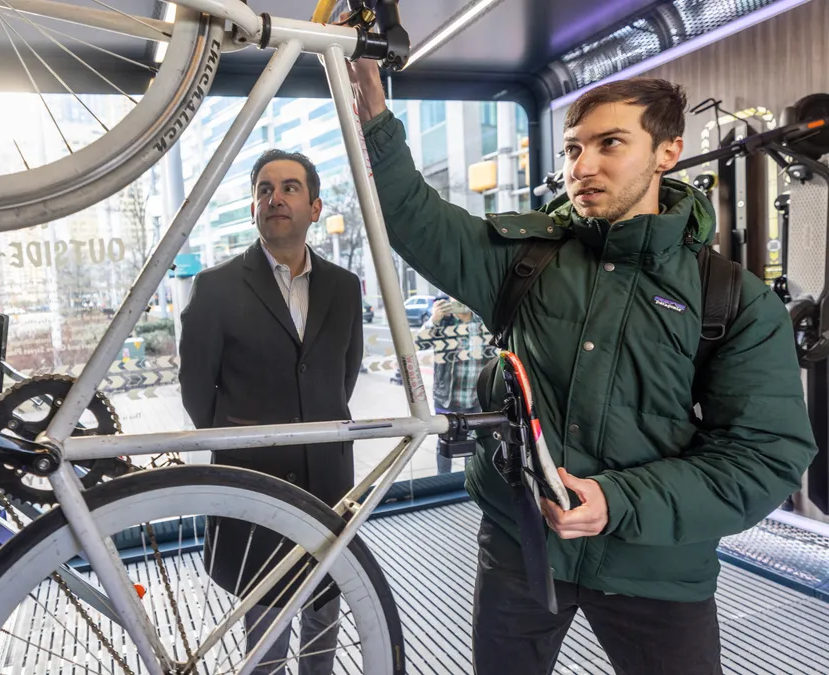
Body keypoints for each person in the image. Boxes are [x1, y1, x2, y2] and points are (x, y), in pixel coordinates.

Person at [348, 59, 817, 674]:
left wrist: (614, 499)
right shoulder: (527, 261)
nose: (581, 167)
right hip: (523, 545)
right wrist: (376, 123)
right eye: (572, 148)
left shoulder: (732, 300)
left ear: (667, 152)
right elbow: (411, 216)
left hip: (657, 567)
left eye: (610, 144)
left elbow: (764, 456)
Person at [179, 148, 364, 674]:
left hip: (329, 480)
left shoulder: (345, 288)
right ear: (252, 208)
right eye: (264, 188)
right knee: (264, 619)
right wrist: (240, 441)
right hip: (253, 478)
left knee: (325, 601)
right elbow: (197, 390)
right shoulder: (214, 288)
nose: (275, 197)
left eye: (289, 187)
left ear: (315, 208)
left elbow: (341, 376)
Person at [423, 295, 495, 475]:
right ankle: (443, 481)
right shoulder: (444, 322)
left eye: (460, 299)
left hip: (476, 397)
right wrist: (433, 320)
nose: (457, 303)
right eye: (452, 299)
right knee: (445, 444)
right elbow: (420, 342)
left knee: (472, 446)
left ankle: (469, 483)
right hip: (447, 397)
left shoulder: (483, 322)